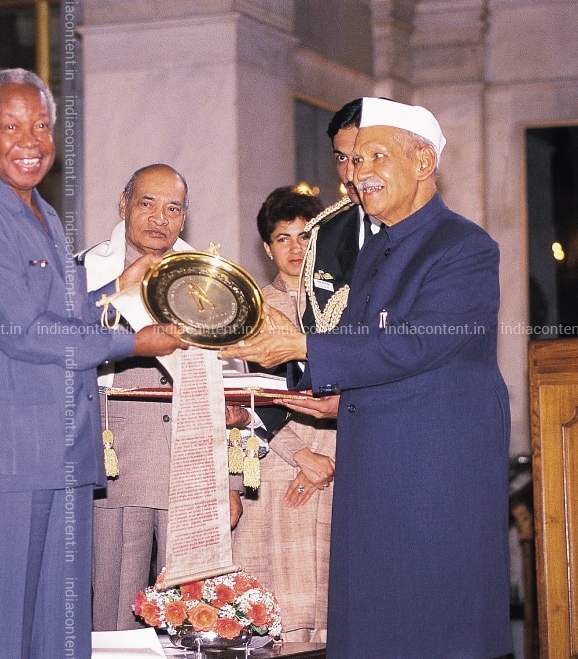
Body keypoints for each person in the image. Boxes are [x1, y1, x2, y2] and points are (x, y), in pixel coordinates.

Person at [221, 97, 512, 658]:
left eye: (376, 156)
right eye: (353, 159)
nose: (359, 172)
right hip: (373, 464)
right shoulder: (377, 247)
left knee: (435, 626)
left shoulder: (464, 246)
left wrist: (300, 344)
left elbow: (416, 344)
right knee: (373, 625)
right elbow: (359, 345)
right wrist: (319, 385)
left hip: (433, 471)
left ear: (424, 163)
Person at [0, 69, 183, 659]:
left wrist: (118, 293)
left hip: (63, 452)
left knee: (61, 634)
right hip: (5, 455)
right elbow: (23, 331)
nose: (30, 140)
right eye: (12, 126)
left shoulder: (43, 214)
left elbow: (67, 315)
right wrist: (133, 344)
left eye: (42, 125)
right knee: (2, 632)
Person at [82, 163, 246, 630]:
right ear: (123, 205)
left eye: (172, 208)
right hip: (117, 467)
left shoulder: (212, 281)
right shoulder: (88, 272)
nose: (159, 218)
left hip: (193, 463)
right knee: (115, 609)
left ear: (184, 217)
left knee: (196, 612)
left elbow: (232, 390)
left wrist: (229, 484)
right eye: (146, 204)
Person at [230, 186, 335, 643]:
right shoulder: (249, 310)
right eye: (282, 238)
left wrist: (329, 462)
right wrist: (301, 456)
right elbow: (249, 398)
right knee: (275, 619)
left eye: (305, 236)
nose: (295, 248)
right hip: (275, 468)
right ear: (267, 247)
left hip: (337, 466)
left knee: (332, 616)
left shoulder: (343, 307)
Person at [301, 98, 379, 333]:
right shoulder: (327, 232)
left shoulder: (440, 240)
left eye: (358, 158)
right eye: (341, 158)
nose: (350, 174)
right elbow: (315, 324)